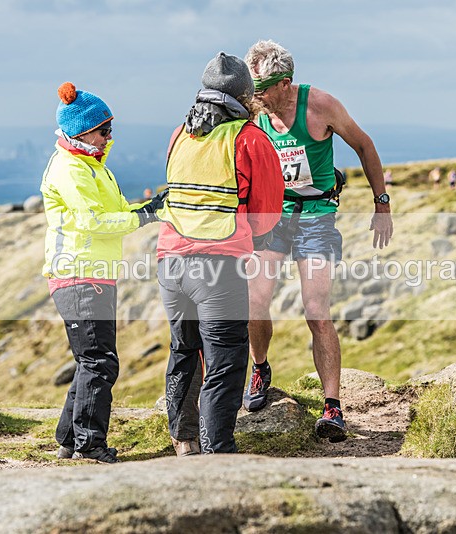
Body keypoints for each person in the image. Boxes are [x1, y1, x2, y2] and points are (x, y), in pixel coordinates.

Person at [242, 40, 394, 442]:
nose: (254, 97)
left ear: (285, 83)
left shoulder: (319, 105)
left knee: (316, 310)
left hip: (316, 216)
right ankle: (259, 368)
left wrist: (382, 204)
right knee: (255, 300)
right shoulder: (253, 112)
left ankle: (332, 406)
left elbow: (364, 144)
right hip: (271, 216)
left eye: (260, 89)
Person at [154, 52, 283, 455]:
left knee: (183, 351)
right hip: (217, 267)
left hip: (169, 261)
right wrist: (254, 237)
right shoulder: (249, 138)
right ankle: (217, 451)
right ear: (245, 96)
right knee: (226, 360)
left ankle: (185, 440)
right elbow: (266, 213)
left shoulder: (179, 134)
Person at [41, 82, 165, 463]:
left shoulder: (92, 166)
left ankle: (68, 439)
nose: (110, 136)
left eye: (111, 127)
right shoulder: (72, 169)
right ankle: (90, 446)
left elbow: (114, 212)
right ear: (81, 132)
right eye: (103, 129)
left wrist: (146, 206)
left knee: (89, 360)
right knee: (99, 361)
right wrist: (145, 215)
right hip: (79, 274)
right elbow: (94, 221)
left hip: (93, 274)